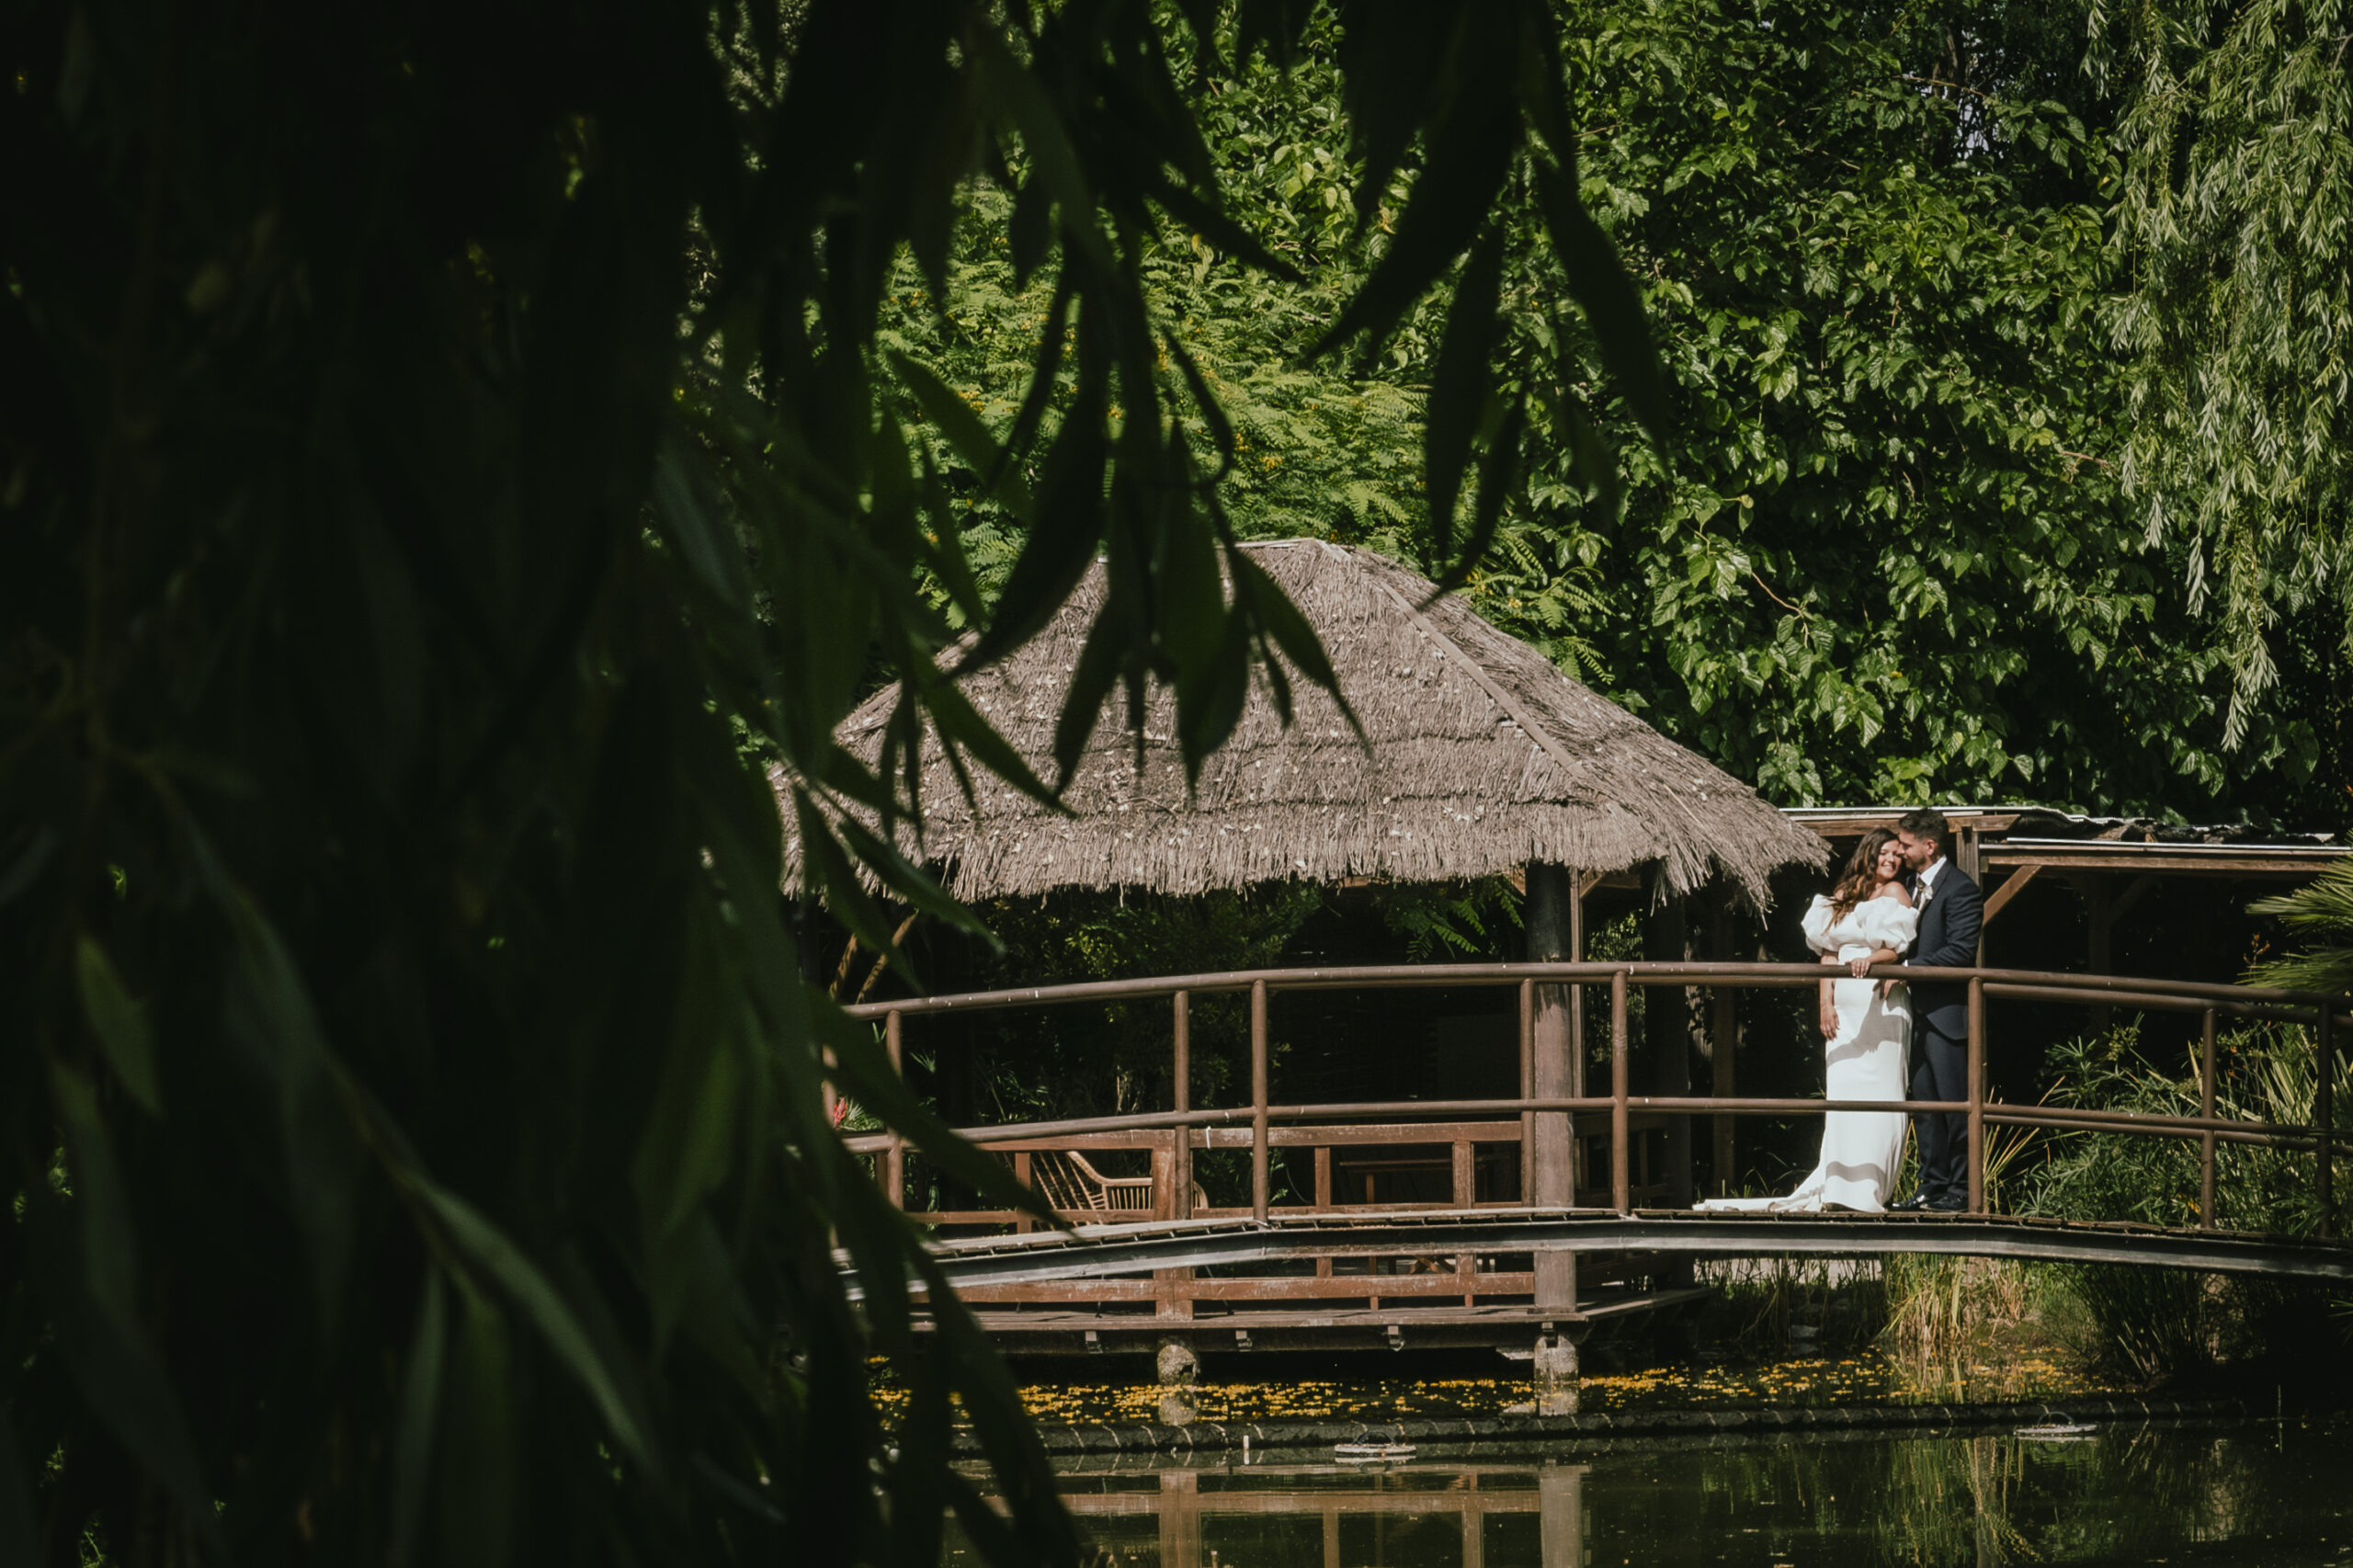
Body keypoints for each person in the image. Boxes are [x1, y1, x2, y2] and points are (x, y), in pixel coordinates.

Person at [1700, 828, 1916, 1212]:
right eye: (1885, 852)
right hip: (1845, 1013)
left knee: (1880, 1094)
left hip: (1879, 1009)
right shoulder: (1843, 894)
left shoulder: (1896, 894)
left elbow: (1898, 950)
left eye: (1897, 854)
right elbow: (1827, 955)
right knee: (1844, 1094)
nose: (1892, 860)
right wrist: (1825, 1003)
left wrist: (1872, 960)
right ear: (1868, 853)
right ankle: (1839, 1187)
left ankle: (1869, 1190)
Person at [1889, 807, 1984, 1211]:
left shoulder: (1961, 889)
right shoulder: (1908, 885)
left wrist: (1907, 970)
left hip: (1947, 1016)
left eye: (1907, 845)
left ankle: (1961, 1191)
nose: (1900, 851)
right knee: (1924, 1105)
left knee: (1954, 1106)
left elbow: (1961, 952)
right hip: (1915, 1015)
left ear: (1929, 846)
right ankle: (1932, 1185)